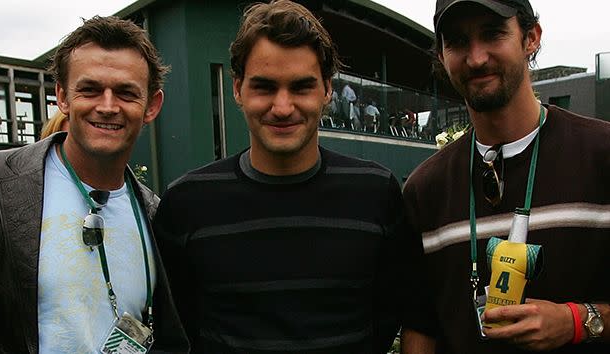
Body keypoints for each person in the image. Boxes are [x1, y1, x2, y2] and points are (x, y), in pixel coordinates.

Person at [153, 1, 430, 353]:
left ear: (327, 90)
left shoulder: (377, 193)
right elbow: (173, 338)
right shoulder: (186, 203)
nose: (282, 107)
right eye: (264, 87)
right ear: (237, 89)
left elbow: (413, 316)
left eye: (301, 87)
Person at [401, 0, 610, 353]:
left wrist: (579, 321)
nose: (477, 58)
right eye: (457, 42)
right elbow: (421, 327)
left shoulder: (601, 155)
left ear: (531, 37)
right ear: (441, 55)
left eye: (492, 34)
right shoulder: (425, 189)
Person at [0, 16, 189, 353]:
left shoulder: (157, 216)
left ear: (152, 106)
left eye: (125, 93)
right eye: (90, 89)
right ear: (62, 97)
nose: (107, 107)